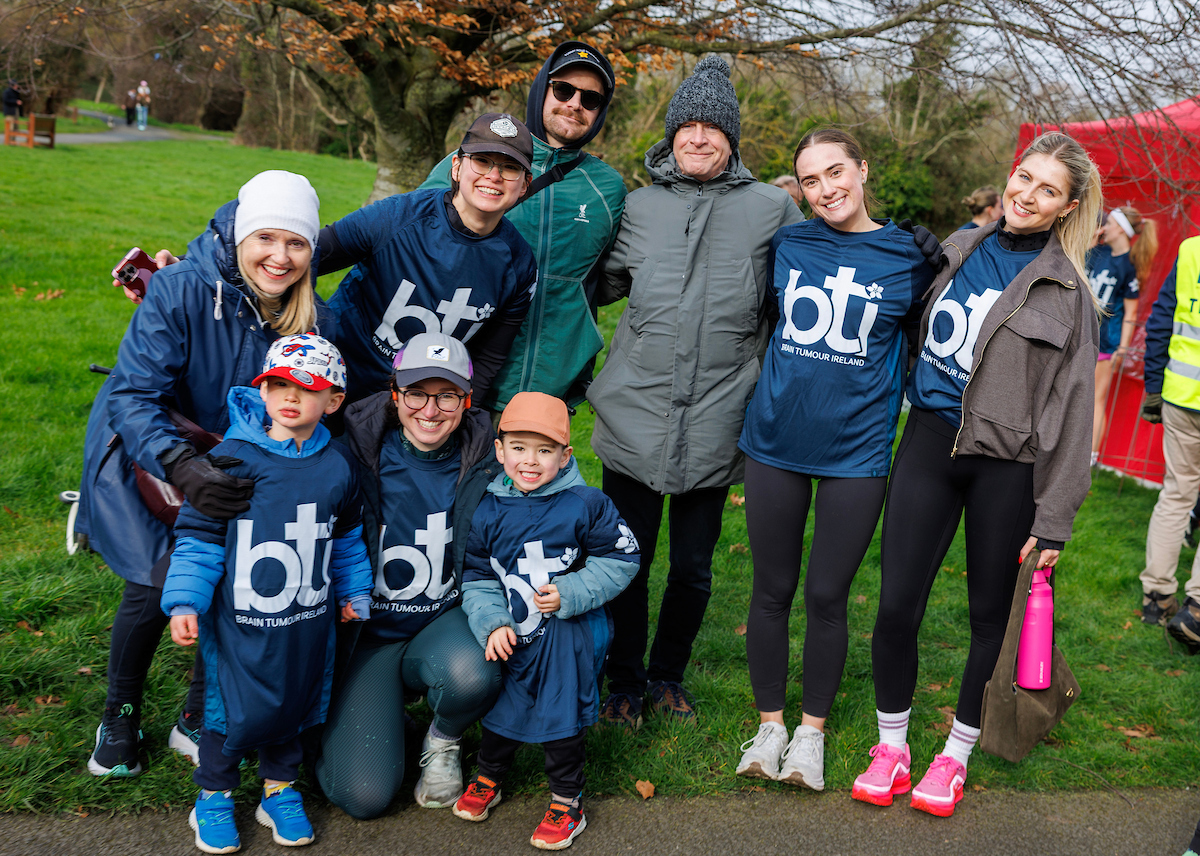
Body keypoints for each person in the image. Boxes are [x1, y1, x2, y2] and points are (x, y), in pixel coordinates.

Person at [853, 132, 1099, 817]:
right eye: (1024, 177)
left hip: (1008, 471)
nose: (1028, 195)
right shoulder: (957, 249)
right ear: (1009, 176)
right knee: (896, 606)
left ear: (1066, 207)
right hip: (929, 445)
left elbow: (1075, 413)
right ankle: (892, 746)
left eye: (1048, 190)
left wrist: (1054, 518)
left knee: (990, 621)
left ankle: (955, 755)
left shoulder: (1069, 294)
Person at [79, 169, 326, 777]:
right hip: (153, 452)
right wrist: (182, 466)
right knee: (155, 578)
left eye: (296, 243)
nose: (280, 256)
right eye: (266, 238)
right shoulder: (182, 289)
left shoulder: (305, 313)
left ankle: (195, 713)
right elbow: (134, 395)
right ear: (241, 235)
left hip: (237, 460)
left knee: (230, 579)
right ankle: (120, 712)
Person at [588, 55, 803, 727]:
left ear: (732, 139)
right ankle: (622, 679)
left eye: (714, 128)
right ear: (672, 135)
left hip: (718, 417)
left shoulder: (772, 209)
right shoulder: (638, 207)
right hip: (634, 413)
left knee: (691, 567)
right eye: (689, 127)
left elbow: (805, 294)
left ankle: (667, 675)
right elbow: (593, 284)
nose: (700, 138)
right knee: (625, 558)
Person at [734, 128, 936, 789]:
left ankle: (810, 736)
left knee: (827, 595)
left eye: (835, 171)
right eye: (811, 179)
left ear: (862, 169)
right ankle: (769, 727)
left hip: (856, 451)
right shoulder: (789, 245)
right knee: (771, 590)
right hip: (776, 441)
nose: (826, 189)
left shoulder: (911, 257)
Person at [122, 115, 539, 407]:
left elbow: (488, 357)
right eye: (482, 161)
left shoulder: (518, 264)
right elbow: (302, 256)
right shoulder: (397, 217)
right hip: (337, 381)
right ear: (457, 167)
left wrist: (463, 412)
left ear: (524, 185)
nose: (493, 176)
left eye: (509, 168)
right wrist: (194, 271)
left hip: (418, 407)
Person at [161, 334, 373, 853]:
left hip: (306, 623)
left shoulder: (339, 465)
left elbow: (346, 538)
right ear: (262, 391)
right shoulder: (233, 458)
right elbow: (201, 537)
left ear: (334, 401)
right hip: (241, 624)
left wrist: (354, 591)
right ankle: (213, 796)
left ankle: (278, 790)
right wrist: (185, 601)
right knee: (227, 711)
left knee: (293, 705)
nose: (290, 396)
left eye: (308, 387)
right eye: (277, 385)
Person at [316, 332, 504, 818]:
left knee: (474, 672)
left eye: (447, 396)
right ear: (395, 394)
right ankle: (375, 712)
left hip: (443, 624)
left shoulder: (491, 458)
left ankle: (443, 740)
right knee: (364, 796)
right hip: (367, 638)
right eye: (417, 393)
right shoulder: (348, 455)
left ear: (467, 400)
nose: (431, 410)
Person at [453, 392, 639, 851]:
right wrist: (493, 621)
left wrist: (572, 592)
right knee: (504, 706)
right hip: (515, 630)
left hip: (566, 634)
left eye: (544, 450)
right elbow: (477, 576)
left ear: (565, 455)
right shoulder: (487, 507)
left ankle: (567, 801)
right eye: (518, 448)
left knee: (561, 713)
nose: (530, 461)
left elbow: (622, 557)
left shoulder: (586, 503)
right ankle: (489, 775)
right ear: (500, 451)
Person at [419, 42, 627, 410]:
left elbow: (609, 277)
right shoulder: (475, 163)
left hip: (549, 389)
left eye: (591, 98)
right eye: (563, 90)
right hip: (454, 377)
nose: (575, 104)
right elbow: (412, 244)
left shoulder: (608, 189)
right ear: (542, 89)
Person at [1138, 234, 1200, 640]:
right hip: (1182, 396)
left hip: (1181, 395)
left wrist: (1154, 388)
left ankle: (1157, 598)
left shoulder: (1192, 249)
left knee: (1176, 494)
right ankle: (1196, 610)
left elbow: (1161, 320)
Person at [1089, 206, 1158, 465]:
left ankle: (1091, 456)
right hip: (1080, 336)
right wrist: (1093, 237)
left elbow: (1131, 312)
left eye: (1109, 223)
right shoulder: (1098, 252)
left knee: (1095, 399)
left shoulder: (1129, 265)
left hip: (1105, 343)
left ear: (1119, 228)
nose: (1104, 227)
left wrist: (1123, 348)